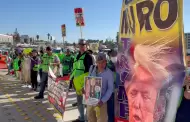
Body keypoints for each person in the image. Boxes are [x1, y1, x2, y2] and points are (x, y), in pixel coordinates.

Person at [70, 39, 93, 122]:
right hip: (77, 82)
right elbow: (75, 69)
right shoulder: (76, 56)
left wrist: (84, 84)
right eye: (80, 45)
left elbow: (90, 71)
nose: (82, 46)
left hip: (84, 83)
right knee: (79, 101)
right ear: (78, 46)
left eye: (83, 45)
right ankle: (82, 118)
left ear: (86, 46)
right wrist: (72, 80)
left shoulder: (88, 56)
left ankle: (87, 119)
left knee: (87, 102)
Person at [86, 53, 114, 122]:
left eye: (103, 62)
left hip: (101, 102)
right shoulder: (91, 68)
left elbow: (110, 89)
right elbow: (88, 82)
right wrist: (85, 89)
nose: (101, 64)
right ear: (96, 62)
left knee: (101, 120)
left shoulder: (109, 73)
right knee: (90, 119)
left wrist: (103, 100)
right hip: (90, 100)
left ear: (106, 62)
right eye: (99, 62)